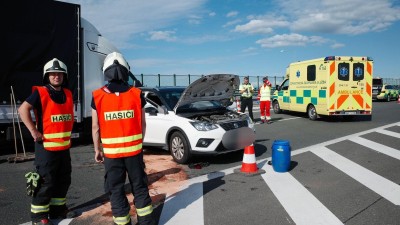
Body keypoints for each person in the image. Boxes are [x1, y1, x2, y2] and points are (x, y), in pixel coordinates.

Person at [91, 52, 155, 225]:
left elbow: (96, 127)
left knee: (116, 190)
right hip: (134, 152)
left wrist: (98, 149)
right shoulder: (136, 94)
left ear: (106, 71)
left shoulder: (98, 96)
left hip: (112, 156)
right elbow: (143, 124)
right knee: (139, 187)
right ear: (126, 70)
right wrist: (138, 143)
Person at [18, 58, 74, 225]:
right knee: (45, 182)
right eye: (52, 74)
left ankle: (58, 209)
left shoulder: (68, 93)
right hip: (46, 148)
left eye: (59, 74)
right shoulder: (40, 93)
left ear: (64, 76)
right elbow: (23, 109)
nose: (56, 76)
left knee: (63, 180)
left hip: (64, 147)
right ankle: (38, 217)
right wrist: (34, 131)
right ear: (47, 76)